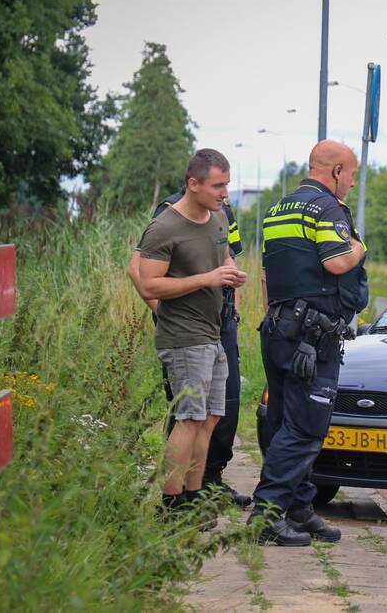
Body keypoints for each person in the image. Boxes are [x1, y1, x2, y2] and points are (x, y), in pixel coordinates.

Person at [250, 140, 368, 546]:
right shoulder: (327, 208)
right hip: (311, 337)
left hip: (280, 328)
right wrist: (358, 248)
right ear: (336, 171)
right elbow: (336, 261)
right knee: (304, 429)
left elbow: (268, 274)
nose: (352, 183)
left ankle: (299, 508)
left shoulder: (278, 209)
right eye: (351, 174)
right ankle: (267, 516)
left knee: (284, 421)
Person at [136, 149, 248, 518]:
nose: (225, 193)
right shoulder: (164, 227)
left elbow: (223, 258)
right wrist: (207, 279)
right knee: (189, 418)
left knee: (210, 417)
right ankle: (171, 505)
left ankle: (195, 496)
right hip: (184, 336)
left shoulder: (218, 218)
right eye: (218, 186)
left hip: (214, 332)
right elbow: (149, 284)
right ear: (193, 184)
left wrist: (230, 272)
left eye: (227, 185)